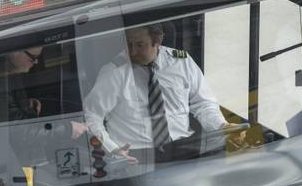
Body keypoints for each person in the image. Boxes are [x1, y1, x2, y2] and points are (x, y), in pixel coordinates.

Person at [84, 24, 230, 164]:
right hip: (136, 156)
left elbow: (203, 103)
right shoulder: (114, 72)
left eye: (140, 45)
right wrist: (113, 149)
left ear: (158, 41)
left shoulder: (181, 62)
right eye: (129, 44)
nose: (133, 52)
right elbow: (92, 116)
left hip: (184, 149)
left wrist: (221, 126)